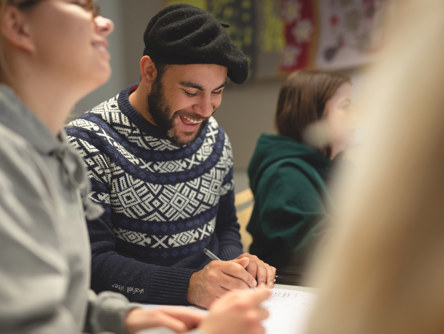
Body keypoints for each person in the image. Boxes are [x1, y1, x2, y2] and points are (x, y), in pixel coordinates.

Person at [0, 0, 271, 333]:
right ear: (17, 25)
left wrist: (118, 318)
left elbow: (58, 294)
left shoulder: (43, 146)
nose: (106, 24)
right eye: (82, 6)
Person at [66, 3, 275, 309]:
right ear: (149, 71)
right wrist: (188, 286)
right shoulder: (89, 143)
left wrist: (235, 266)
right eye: (191, 92)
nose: (205, 110)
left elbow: (225, 226)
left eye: (217, 91)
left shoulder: (214, 137)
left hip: (210, 310)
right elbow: (92, 264)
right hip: (134, 316)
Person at [303, 0, 444, 333]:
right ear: (314, 114)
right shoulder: (292, 172)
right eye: (347, 107)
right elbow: (317, 243)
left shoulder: (344, 166)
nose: (356, 118)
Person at [246, 70, 352, 285]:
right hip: (293, 291)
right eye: (345, 106)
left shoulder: (338, 168)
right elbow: (326, 250)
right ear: (313, 114)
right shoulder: (285, 175)